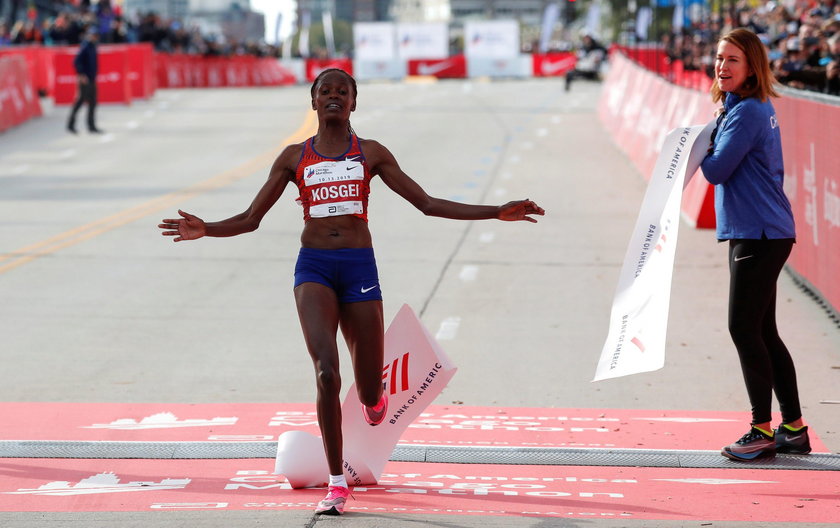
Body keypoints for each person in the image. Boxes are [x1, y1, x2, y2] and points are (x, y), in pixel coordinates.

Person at [158, 68, 545, 514]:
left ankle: (376, 399)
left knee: (366, 391)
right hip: (315, 269)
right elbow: (250, 219)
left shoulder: (372, 153)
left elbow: (428, 204)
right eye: (326, 91)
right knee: (326, 371)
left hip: (360, 269)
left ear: (354, 103)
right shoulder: (293, 158)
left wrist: (497, 211)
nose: (334, 96)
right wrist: (205, 229)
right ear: (314, 102)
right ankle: (337, 482)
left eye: (343, 91)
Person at [701, 28, 810, 462]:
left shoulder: (746, 112)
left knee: (743, 328)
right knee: (764, 330)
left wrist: (697, 144)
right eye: (719, 58)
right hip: (762, 230)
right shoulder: (743, 106)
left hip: (759, 233)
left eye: (732, 60)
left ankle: (761, 430)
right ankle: (795, 428)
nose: (722, 66)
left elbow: (716, 170)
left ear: (752, 68)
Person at [67, 26, 103, 134]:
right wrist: (81, 75)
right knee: (80, 101)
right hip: (85, 79)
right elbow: (76, 62)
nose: (95, 37)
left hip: (92, 79)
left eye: (96, 35)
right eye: (93, 35)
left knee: (93, 102)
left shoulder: (93, 46)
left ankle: (91, 126)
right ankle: (70, 124)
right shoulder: (85, 46)